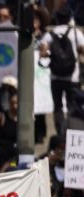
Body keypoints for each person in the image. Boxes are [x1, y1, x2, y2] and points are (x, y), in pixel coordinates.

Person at [41, 5, 84, 136]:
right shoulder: (76, 33)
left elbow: (43, 53)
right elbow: (82, 50)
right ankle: (73, 131)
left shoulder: (50, 34)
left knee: (58, 106)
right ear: (69, 19)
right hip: (73, 77)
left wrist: (51, 54)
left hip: (56, 77)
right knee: (73, 105)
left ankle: (61, 133)